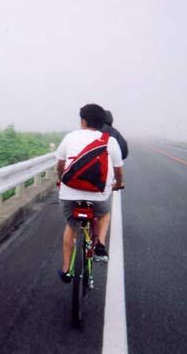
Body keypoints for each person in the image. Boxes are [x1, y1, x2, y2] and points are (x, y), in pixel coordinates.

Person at [55, 104, 124, 283]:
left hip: (70, 193)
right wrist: (118, 184)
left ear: (83, 121)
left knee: (71, 226)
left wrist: (62, 180)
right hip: (98, 194)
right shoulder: (110, 141)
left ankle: (66, 270)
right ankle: (100, 243)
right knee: (104, 215)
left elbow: (60, 165)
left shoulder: (70, 137)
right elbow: (118, 170)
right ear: (102, 122)